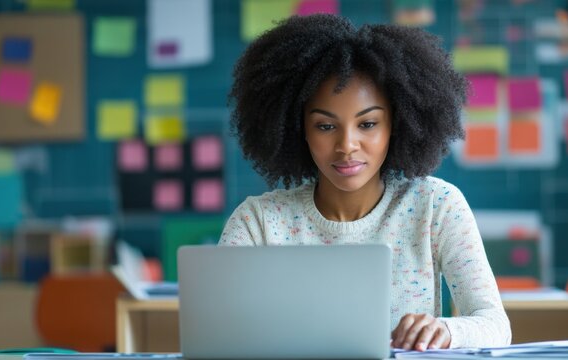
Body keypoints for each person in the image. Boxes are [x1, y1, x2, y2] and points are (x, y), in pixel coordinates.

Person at [218, 13, 511, 351]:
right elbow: (221, 335)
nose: (347, 145)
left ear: (398, 124)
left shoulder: (437, 205)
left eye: (368, 124)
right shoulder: (258, 223)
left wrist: (446, 331)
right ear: (297, 130)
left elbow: (495, 326)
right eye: (325, 126)